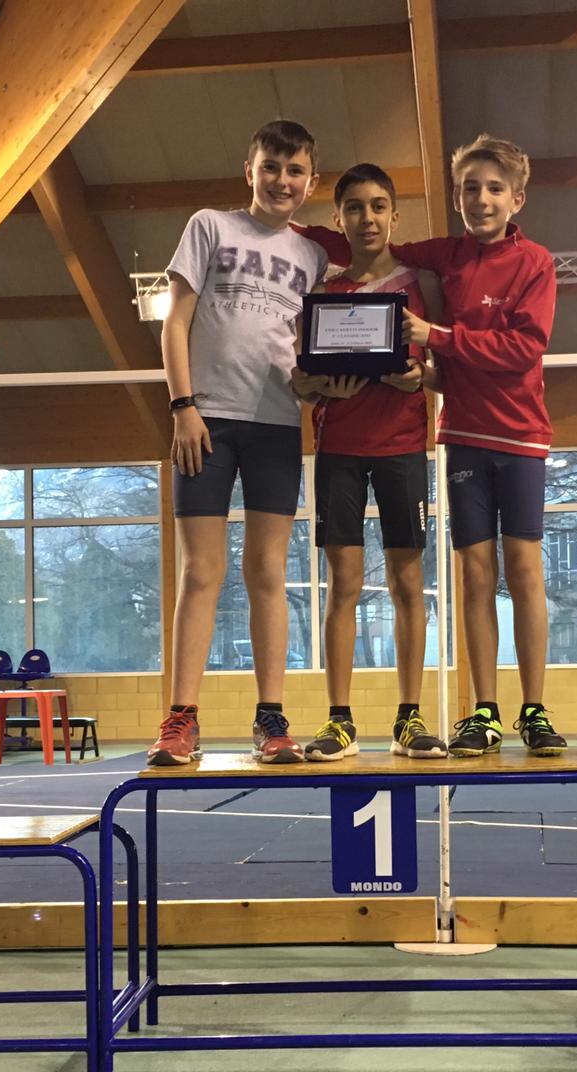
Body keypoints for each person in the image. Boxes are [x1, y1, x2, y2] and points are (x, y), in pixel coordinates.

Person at [300, 134, 565, 757]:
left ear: (517, 198)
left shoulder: (529, 263)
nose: (482, 199)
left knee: (522, 569)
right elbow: (362, 244)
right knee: (473, 574)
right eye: (471, 188)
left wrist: (428, 354)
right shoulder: (441, 256)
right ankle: (481, 711)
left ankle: (531, 708)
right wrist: (276, 223)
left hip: (516, 435)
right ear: (456, 196)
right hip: (455, 437)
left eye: (494, 189)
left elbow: (521, 349)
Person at [147, 120, 330, 767]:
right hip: (207, 422)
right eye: (270, 166)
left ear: (310, 182)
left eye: (294, 170)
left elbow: (310, 344)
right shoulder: (210, 226)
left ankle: (271, 720)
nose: (282, 180)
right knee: (201, 571)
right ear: (249, 170)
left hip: (277, 425)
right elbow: (176, 322)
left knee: (268, 573)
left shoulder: (312, 256)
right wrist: (183, 407)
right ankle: (181, 719)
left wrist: (319, 384)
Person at [290, 163, 448, 761]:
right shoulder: (323, 294)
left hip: (403, 448)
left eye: (378, 206)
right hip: (339, 451)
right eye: (354, 207)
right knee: (344, 586)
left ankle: (409, 718)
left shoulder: (420, 284)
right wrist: (318, 386)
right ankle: (339, 721)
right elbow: (301, 380)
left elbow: (445, 370)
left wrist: (420, 377)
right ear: (339, 219)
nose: (367, 218)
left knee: (409, 583)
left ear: (394, 216)